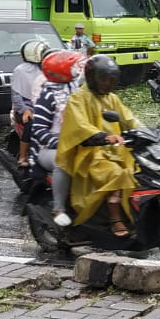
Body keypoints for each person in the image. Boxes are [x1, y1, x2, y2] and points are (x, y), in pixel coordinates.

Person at [56, 55, 140, 236]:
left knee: (140, 169)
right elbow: (80, 127)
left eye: (111, 80)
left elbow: (128, 118)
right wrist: (104, 137)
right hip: (90, 154)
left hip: (116, 151)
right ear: (92, 77)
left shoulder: (112, 98)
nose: (107, 84)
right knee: (117, 174)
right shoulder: (78, 98)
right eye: (103, 79)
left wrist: (146, 132)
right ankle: (115, 219)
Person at [32, 50, 85, 227]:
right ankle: (59, 208)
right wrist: (61, 143)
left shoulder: (77, 89)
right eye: (73, 67)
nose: (77, 70)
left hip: (79, 143)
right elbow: (38, 129)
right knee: (63, 162)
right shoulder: (47, 95)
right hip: (49, 149)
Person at [10, 39, 49, 166]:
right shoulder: (20, 70)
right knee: (31, 124)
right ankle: (22, 157)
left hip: (45, 106)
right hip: (26, 108)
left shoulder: (48, 68)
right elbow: (16, 96)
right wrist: (25, 110)